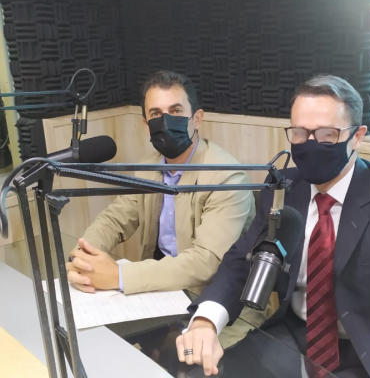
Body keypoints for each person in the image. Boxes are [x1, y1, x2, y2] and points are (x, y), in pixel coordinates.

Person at [176, 75, 370, 378]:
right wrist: (205, 321)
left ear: (357, 136)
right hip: (292, 339)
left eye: (327, 134)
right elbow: (240, 262)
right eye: (300, 133)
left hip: (369, 355)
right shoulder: (283, 189)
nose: (311, 144)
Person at [65, 70, 255, 295]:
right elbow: (114, 220)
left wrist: (119, 276)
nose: (165, 121)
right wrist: (83, 258)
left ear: (197, 119)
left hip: (213, 298)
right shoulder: (148, 168)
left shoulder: (227, 177)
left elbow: (206, 261)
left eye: (176, 111)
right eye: (156, 114)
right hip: (160, 290)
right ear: (146, 125)